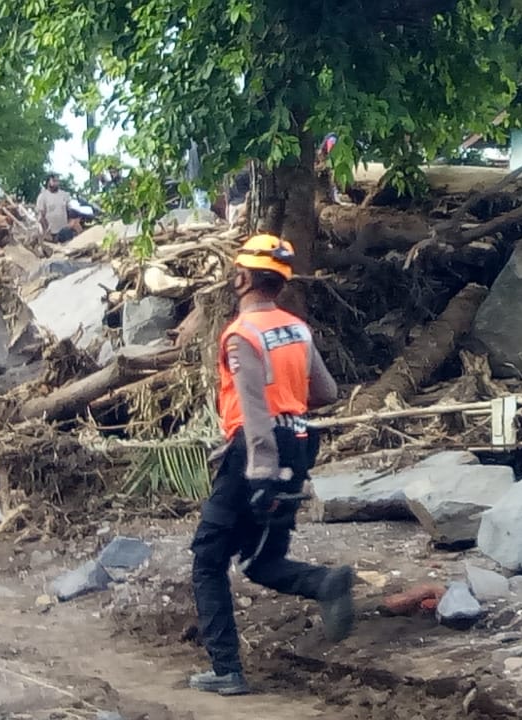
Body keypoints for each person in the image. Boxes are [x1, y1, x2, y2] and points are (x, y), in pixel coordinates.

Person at [189, 233, 355, 697]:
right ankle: (324, 582)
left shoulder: (241, 335)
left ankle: (226, 670)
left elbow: (253, 409)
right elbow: (326, 393)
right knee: (262, 560)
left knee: (207, 559)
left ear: (242, 277)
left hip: (256, 450)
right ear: (279, 285)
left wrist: (259, 474)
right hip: (299, 442)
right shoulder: (297, 329)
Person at [35, 174, 75, 243]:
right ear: (48, 182)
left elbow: (70, 211)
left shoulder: (64, 195)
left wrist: (70, 224)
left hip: (64, 231)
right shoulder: (43, 197)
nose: (56, 183)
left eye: (57, 181)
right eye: (54, 181)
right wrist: (47, 232)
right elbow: (41, 216)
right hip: (51, 233)